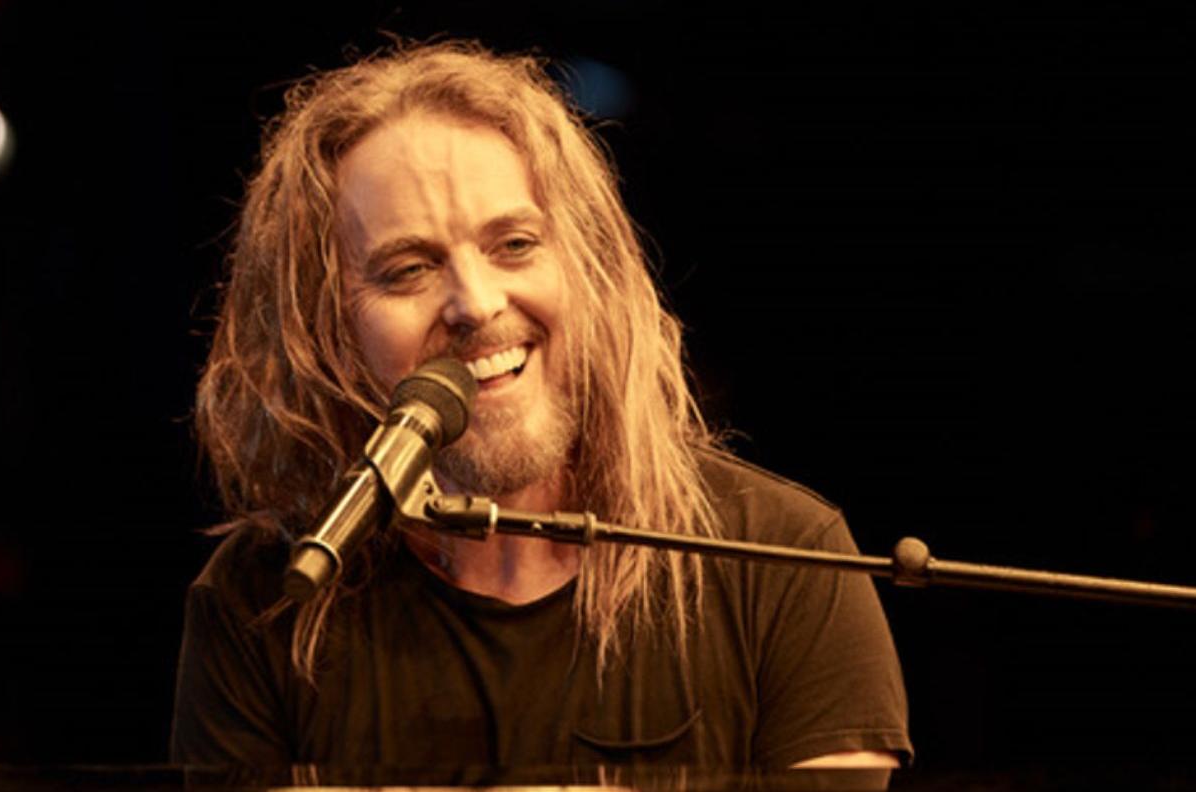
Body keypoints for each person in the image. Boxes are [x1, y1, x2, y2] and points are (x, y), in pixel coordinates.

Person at [170, 40, 912, 774]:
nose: (477, 303)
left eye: (516, 244)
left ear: (589, 266)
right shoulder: (260, 597)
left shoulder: (785, 559)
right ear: (322, 326)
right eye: (407, 270)